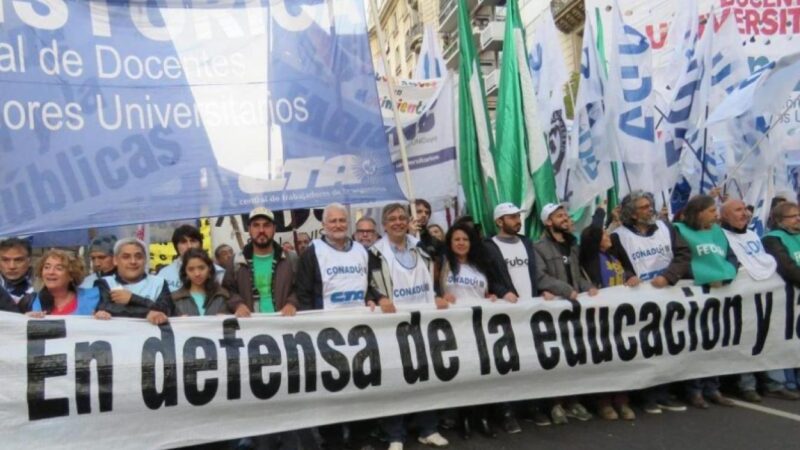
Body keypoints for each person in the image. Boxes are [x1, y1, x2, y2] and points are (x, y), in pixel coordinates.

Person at [368, 203, 448, 450]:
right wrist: (380, 298)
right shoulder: (375, 252)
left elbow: (432, 269)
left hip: (422, 321)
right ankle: (395, 434)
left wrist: (436, 294)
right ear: (384, 224)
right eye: (392, 218)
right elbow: (368, 283)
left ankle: (429, 428)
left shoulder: (421, 248)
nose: (398, 222)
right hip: (392, 325)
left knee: (427, 375)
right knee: (396, 379)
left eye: (402, 217)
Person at [534, 203, 596, 424]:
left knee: (575, 355)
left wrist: (586, 286)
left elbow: (576, 274)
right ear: (548, 222)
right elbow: (541, 277)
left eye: (566, 215)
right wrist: (565, 290)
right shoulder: (538, 247)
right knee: (556, 357)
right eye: (559, 215)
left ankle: (573, 400)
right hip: (554, 311)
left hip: (574, 309)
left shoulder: (572, 245)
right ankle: (555, 403)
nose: (565, 218)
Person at [673, 195, 737, 409]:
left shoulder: (718, 233)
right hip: (695, 293)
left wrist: (728, 274)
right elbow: (681, 259)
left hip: (720, 293)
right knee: (697, 342)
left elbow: (731, 258)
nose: (716, 215)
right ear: (699, 212)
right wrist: (705, 275)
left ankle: (713, 387)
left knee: (716, 341)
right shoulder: (680, 230)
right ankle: (694, 389)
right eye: (711, 211)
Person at [719, 199, 784, 403]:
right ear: (724, 216)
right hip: (741, 298)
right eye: (738, 210)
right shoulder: (722, 236)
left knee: (770, 337)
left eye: (745, 209)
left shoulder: (752, 234)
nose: (745, 213)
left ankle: (773, 383)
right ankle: (746, 385)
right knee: (745, 339)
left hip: (764, 295)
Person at [578, 218, 637, 421]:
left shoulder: (613, 255)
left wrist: (630, 276)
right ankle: (603, 402)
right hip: (600, 316)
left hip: (620, 315)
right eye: (603, 234)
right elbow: (592, 234)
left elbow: (625, 270)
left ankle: (622, 400)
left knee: (622, 356)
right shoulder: (591, 257)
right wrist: (602, 210)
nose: (608, 236)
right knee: (604, 358)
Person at [296, 203, 390, 312]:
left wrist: (371, 298)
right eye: (333, 221)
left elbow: (369, 285)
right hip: (327, 322)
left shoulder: (361, 251)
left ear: (348, 223)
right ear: (323, 224)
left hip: (359, 319)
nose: (338, 225)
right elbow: (303, 294)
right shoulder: (312, 252)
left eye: (342, 220)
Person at [223, 206, 297, 316]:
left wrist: (292, 303)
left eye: (266, 225)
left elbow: (301, 288)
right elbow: (227, 291)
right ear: (249, 229)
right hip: (251, 327)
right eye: (256, 225)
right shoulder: (236, 261)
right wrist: (238, 304)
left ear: (274, 228)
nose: (261, 230)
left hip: (283, 325)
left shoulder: (290, 259)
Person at [610, 191, 691, 287]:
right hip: (640, 295)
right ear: (633, 215)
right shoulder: (618, 236)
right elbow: (614, 266)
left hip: (671, 289)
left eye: (650, 205)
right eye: (644, 207)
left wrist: (668, 277)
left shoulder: (666, 227)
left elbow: (684, 254)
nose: (651, 209)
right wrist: (629, 276)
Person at [761, 201, 800, 400]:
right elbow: (786, 267)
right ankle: (782, 382)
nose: (798, 219)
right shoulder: (772, 239)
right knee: (785, 339)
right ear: (778, 221)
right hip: (784, 299)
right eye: (792, 216)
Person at [148, 249, 238, 322]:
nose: (197, 273)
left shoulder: (224, 295)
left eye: (201, 268)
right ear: (185, 273)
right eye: (191, 269)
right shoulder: (174, 299)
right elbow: (159, 315)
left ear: (209, 269)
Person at [94, 238, 171, 319]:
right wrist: (148, 312)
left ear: (145, 260)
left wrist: (132, 298)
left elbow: (167, 310)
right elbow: (106, 309)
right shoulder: (104, 283)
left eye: (138, 257)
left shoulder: (159, 283)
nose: (133, 261)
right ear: (115, 260)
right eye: (126, 257)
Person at [27, 249, 100, 317]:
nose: (51, 272)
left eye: (59, 268)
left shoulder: (94, 297)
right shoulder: (30, 302)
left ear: (71, 275)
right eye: (47, 267)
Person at [158, 225, 224, 293]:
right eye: (183, 242)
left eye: (193, 241)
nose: (189, 246)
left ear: (201, 244)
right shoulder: (164, 275)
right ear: (176, 247)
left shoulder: (219, 273)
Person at [0, 237, 35, 311]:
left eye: (18, 260)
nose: (11, 266)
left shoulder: (43, 287)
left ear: (29, 261)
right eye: (5, 260)